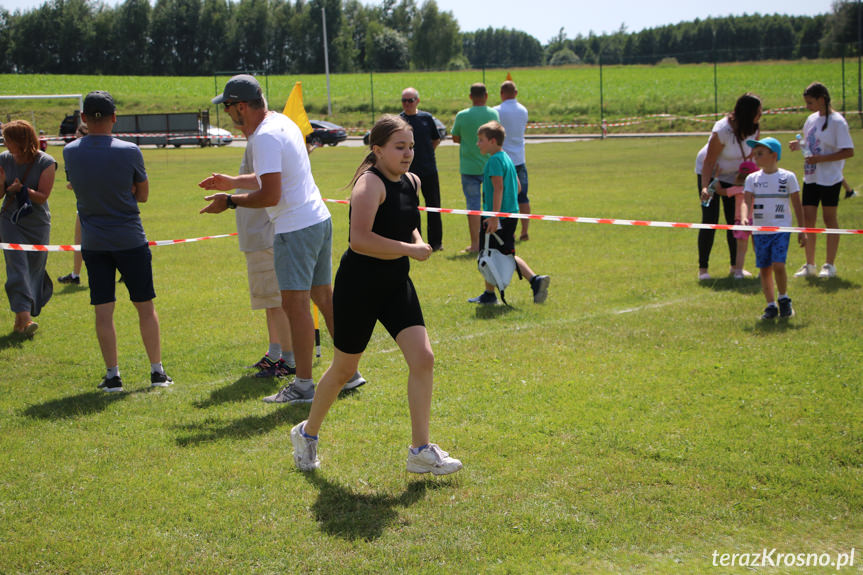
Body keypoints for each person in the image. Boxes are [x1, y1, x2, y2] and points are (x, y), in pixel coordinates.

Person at [290, 115, 462, 475]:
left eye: (411, 146)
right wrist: (408, 249)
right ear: (378, 149)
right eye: (400, 147)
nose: (408, 154)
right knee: (343, 370)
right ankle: (307, 434)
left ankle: (419, 449)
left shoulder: (411, 181)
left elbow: (407, 221)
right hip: (360, 288)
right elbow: (360, 240)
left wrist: (416, 241)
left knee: (423, 359)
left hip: (396, 284)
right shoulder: (369, 184)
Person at [200, 75, 365, 404]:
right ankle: (350, 373)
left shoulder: (262, 137)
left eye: (229, 107)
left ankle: (303, 385)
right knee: (324, 299)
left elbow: (270, 193)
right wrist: (233, 181)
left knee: (296, 306)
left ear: (242, 107)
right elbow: (272, 175)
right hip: (317, 220)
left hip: (295, 229)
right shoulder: (282, 122)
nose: (228, 115)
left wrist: (230, 201)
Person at [63, 91, 172, 391]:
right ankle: (157, 372)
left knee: (103, 311)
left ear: (84, 118)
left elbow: (78, 189)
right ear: (114, 118)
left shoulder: (70, 151)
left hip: (95, 242)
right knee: (145, 306)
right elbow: (144, 195)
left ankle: (113, 376)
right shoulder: (129, 151)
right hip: (130, 239)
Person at [198, 144, 296, 379]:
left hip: (265, 236)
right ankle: (275, 354)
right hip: (256, 237)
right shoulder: (256, 141)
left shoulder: (265, 140)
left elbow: (268, 184)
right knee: (268, 301)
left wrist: (230, 194)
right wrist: (232, 182)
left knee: (276, 301)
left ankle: (289, 360)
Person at [468, 121, 549, 305]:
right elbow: (517, 187)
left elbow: (498, 188)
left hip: (497, 217)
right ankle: (489, 294)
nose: (478, 144)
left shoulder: (495, 160)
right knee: (492, 252)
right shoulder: (506, 158)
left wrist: (494, 216)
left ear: (493, 141)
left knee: (500, 254)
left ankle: (534, 280)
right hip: (509, 215)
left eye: (481, 140)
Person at [789, 82, 855, 279]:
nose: (808, 106)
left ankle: (829, 265)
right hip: (811, 177)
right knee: (808, 219)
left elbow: (848, 151)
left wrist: (822, 159)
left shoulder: (837, 122)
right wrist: (798, 144)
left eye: (810, 102)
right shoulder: (811, 119)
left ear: (822, 99)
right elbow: (810, 144)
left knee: (829, 219)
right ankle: (809, 264)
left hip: (830, 178)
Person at [697, 93, 762, 280]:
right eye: (758, 112)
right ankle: (703, 270)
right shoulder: (723, 130)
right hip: (711, 173)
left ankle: (735, 267)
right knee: (710, 219)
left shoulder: (753, 128)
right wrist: (704, 187)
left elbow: (754, 152)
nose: (760, 116)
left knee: (735, 221)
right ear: (748, 113)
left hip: (735, 177)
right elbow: (708, 162)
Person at [0, 120, 55, 336]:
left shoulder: (46, 162)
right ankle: (25, 317)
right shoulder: (3, 159)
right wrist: (3, 183)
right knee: (17, 266)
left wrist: (23, 189)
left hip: (37, 222)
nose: (4, 143)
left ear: (21, 140)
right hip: (9, 220)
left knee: (33, 269)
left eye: (8, 139)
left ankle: (20, 319)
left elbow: (42, 198)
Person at [740, 137, 805, 320]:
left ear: (774, 155)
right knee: (765, 268)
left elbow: (797, 205)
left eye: (760, 153)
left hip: (781, 229)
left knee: (778, 264)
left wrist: (802, 230)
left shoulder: (788, 177)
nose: (755, 156)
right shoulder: (752, 178)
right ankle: (770, 306)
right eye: (755, 153)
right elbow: (746, 201)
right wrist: (745, 217)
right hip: (760, 231)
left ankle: (784, 299)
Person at [451, 83, 499, 253]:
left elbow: (455, 137)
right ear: (486, 95)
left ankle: (475, 244)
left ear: (470, 97)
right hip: (490, 167)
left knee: (473, 207)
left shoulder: (462, 115)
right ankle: (491, 241)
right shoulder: (493, 113)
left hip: (469, 167)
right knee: (491, 205)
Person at [399, 87, 443, 252]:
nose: (407, 104)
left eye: (410, 100)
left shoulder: (426, 118)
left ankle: (436, 243)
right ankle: (416, 241)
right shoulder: (399, 121)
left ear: (417, 101)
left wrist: (426, 153)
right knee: (411, 208)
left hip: (429, 170)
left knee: (434, 206)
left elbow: (436, 139)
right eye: (404, 100)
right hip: (408, 173)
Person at [494, 80, 531, 241]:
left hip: (505, 160)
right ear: (515, 93)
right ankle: (524, 230)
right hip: (520, 158)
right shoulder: (523, 110)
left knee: (504, 198)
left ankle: (510, 230)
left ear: (502, 94)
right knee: (523, 196)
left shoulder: (497, 111)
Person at [58, 123, 88, 286]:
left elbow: (76, 183)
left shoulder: (78, 155)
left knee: (81, 241)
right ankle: (75, 274)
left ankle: (76, 275)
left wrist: (72, 184)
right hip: (87, 203)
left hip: (88, 205)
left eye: (77, 135)